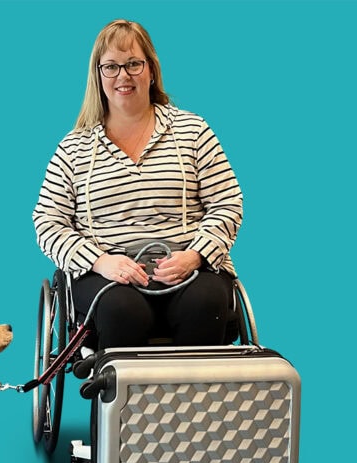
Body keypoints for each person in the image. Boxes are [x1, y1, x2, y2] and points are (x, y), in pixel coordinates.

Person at [32, 19, 243, 349]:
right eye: (111, 67)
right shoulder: (73, 148)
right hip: (107, 274)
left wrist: (195, 256)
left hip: (189, 267)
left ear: (151, 70)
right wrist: (101, 262)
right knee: (121, 309)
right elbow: (47, 223)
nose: (123, 76)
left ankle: (193, 401)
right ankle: (120, 402)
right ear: (98, 76)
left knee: (205, 302)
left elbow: (228, 203)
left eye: (133, 64)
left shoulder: (193, 131)